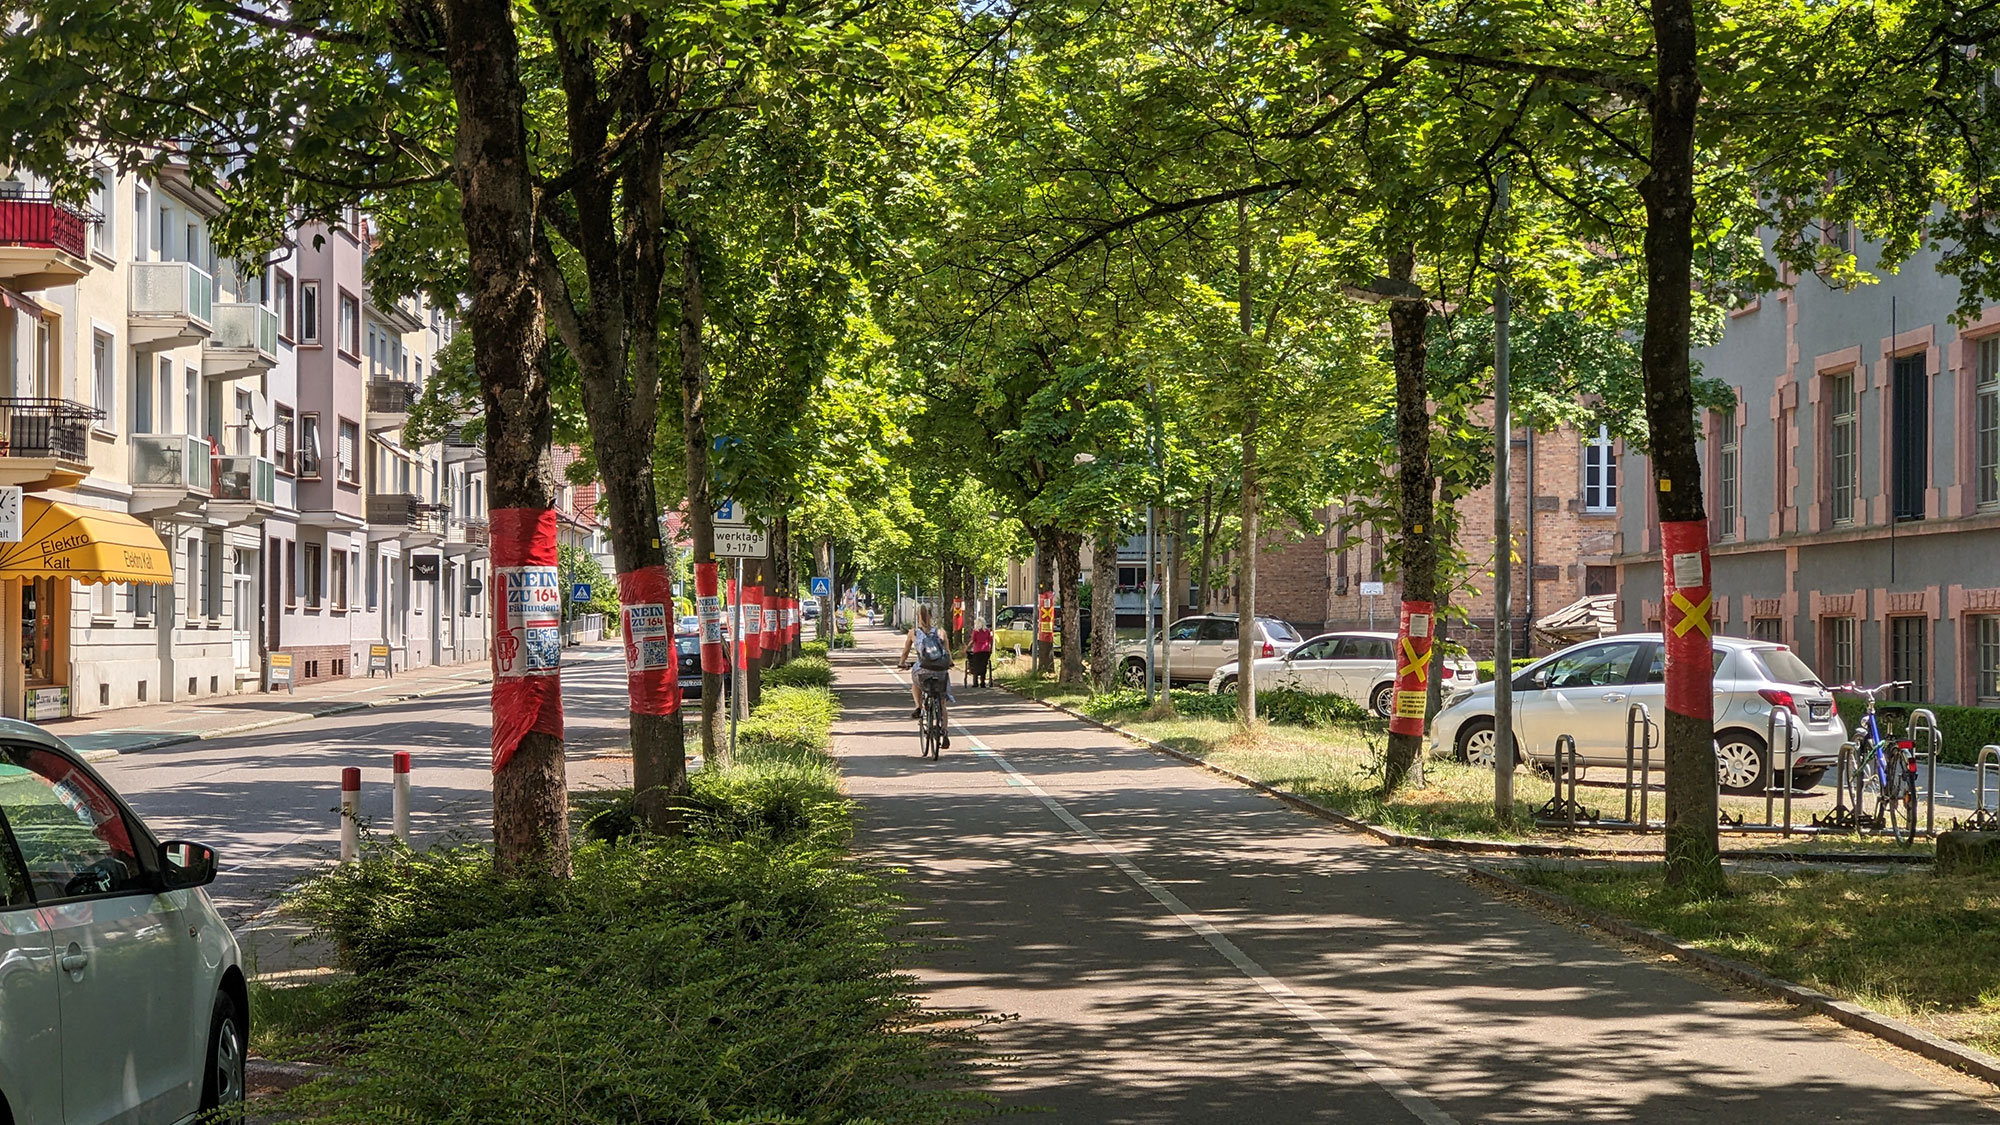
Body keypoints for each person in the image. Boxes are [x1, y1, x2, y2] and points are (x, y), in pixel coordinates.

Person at [898, 603, 953, 747]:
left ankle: (918, 707)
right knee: (942, 702)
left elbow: (905, 652)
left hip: (923, 670)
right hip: (940, 671)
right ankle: (945, 731)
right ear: (932, 616)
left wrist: (902, 663)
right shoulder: (941, 632)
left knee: (916, 684)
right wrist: (950, 663)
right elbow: (947, 653)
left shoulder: (913, 633)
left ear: (917, 616)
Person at [967, 619, 994, 686]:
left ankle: (975, 682)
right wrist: (991, 648)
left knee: (976, 665)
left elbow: (972, 641)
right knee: (983, 665)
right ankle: (982, 682)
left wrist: (967, 647)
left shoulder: (975, 631)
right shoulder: (987, 631)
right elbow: (991, 640)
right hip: (986, 651)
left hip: (977, 650)